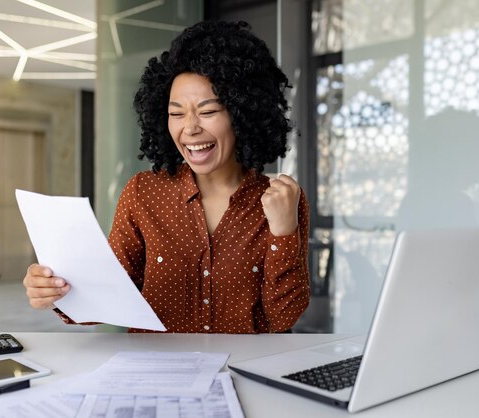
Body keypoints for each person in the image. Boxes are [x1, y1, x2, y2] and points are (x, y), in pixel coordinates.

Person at [22, 20, 310, 333]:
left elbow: (283, 318)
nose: (189, 128)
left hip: (240, 371)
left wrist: (283, 231)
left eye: (208, 111)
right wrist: (56, 290)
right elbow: (109, 295)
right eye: (176, 113)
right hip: (155, 375)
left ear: (242, 114)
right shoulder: (143, 193)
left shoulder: (281, 200)